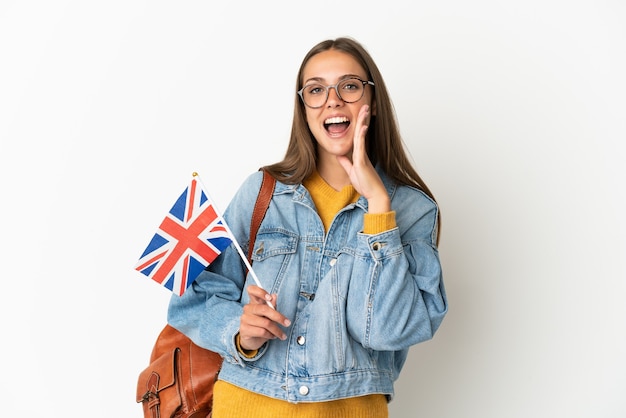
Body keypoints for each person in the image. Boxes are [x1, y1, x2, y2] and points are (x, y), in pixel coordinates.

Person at [167, 37, 448, 418]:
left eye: (349, 86)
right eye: (316, 90)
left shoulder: (412, 210)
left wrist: (379, 208)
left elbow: (386, 331)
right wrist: (239, 331)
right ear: (304, 108)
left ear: (373, 101)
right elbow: (192, 298)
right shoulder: (262, 193)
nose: (332, 100)